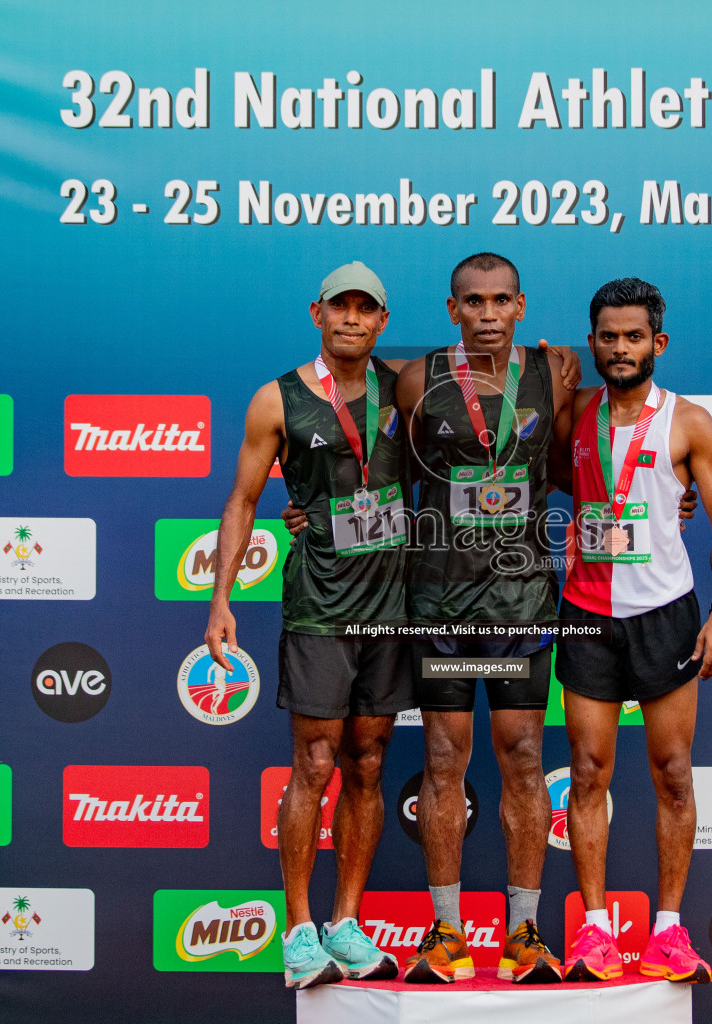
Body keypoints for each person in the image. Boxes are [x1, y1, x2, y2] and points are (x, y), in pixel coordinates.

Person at [204, 261, 410, 989]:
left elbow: (493, 428)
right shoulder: (278, 398)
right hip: (320, 605)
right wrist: (220, 599)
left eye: (367, 309)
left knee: (370, 764)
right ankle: (297, 931)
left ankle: (347, 925)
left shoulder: (406, 389)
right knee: (314, 765)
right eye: (340, 306)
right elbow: (241, 501)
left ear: (383, 321)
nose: (352, 318)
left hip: (393, 610)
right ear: (316, 313)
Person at [393, 253, 575, 984]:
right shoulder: (415, 379)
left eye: (501, 300)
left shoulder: (554, 373)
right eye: (474, 302)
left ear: (521, 305)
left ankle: (525, 932)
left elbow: (570, 467)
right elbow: (382, 475)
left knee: (525, 760)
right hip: (440, 601)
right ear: (452, 309)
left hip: (521, 601)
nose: (488, 314)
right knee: (443, 762)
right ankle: (446, 931)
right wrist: (315, 511)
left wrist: (671, 495)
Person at [556, 277, 712, 985]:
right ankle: (594, 931)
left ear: (657, 343)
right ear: (594, 342)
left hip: (665, 612)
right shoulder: (574, 413)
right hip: (587, 612)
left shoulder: (688, 421)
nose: (621, 347)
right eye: (609, 336)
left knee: (672, 774)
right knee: (590, 772)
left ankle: (668, 930)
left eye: (635, 336)